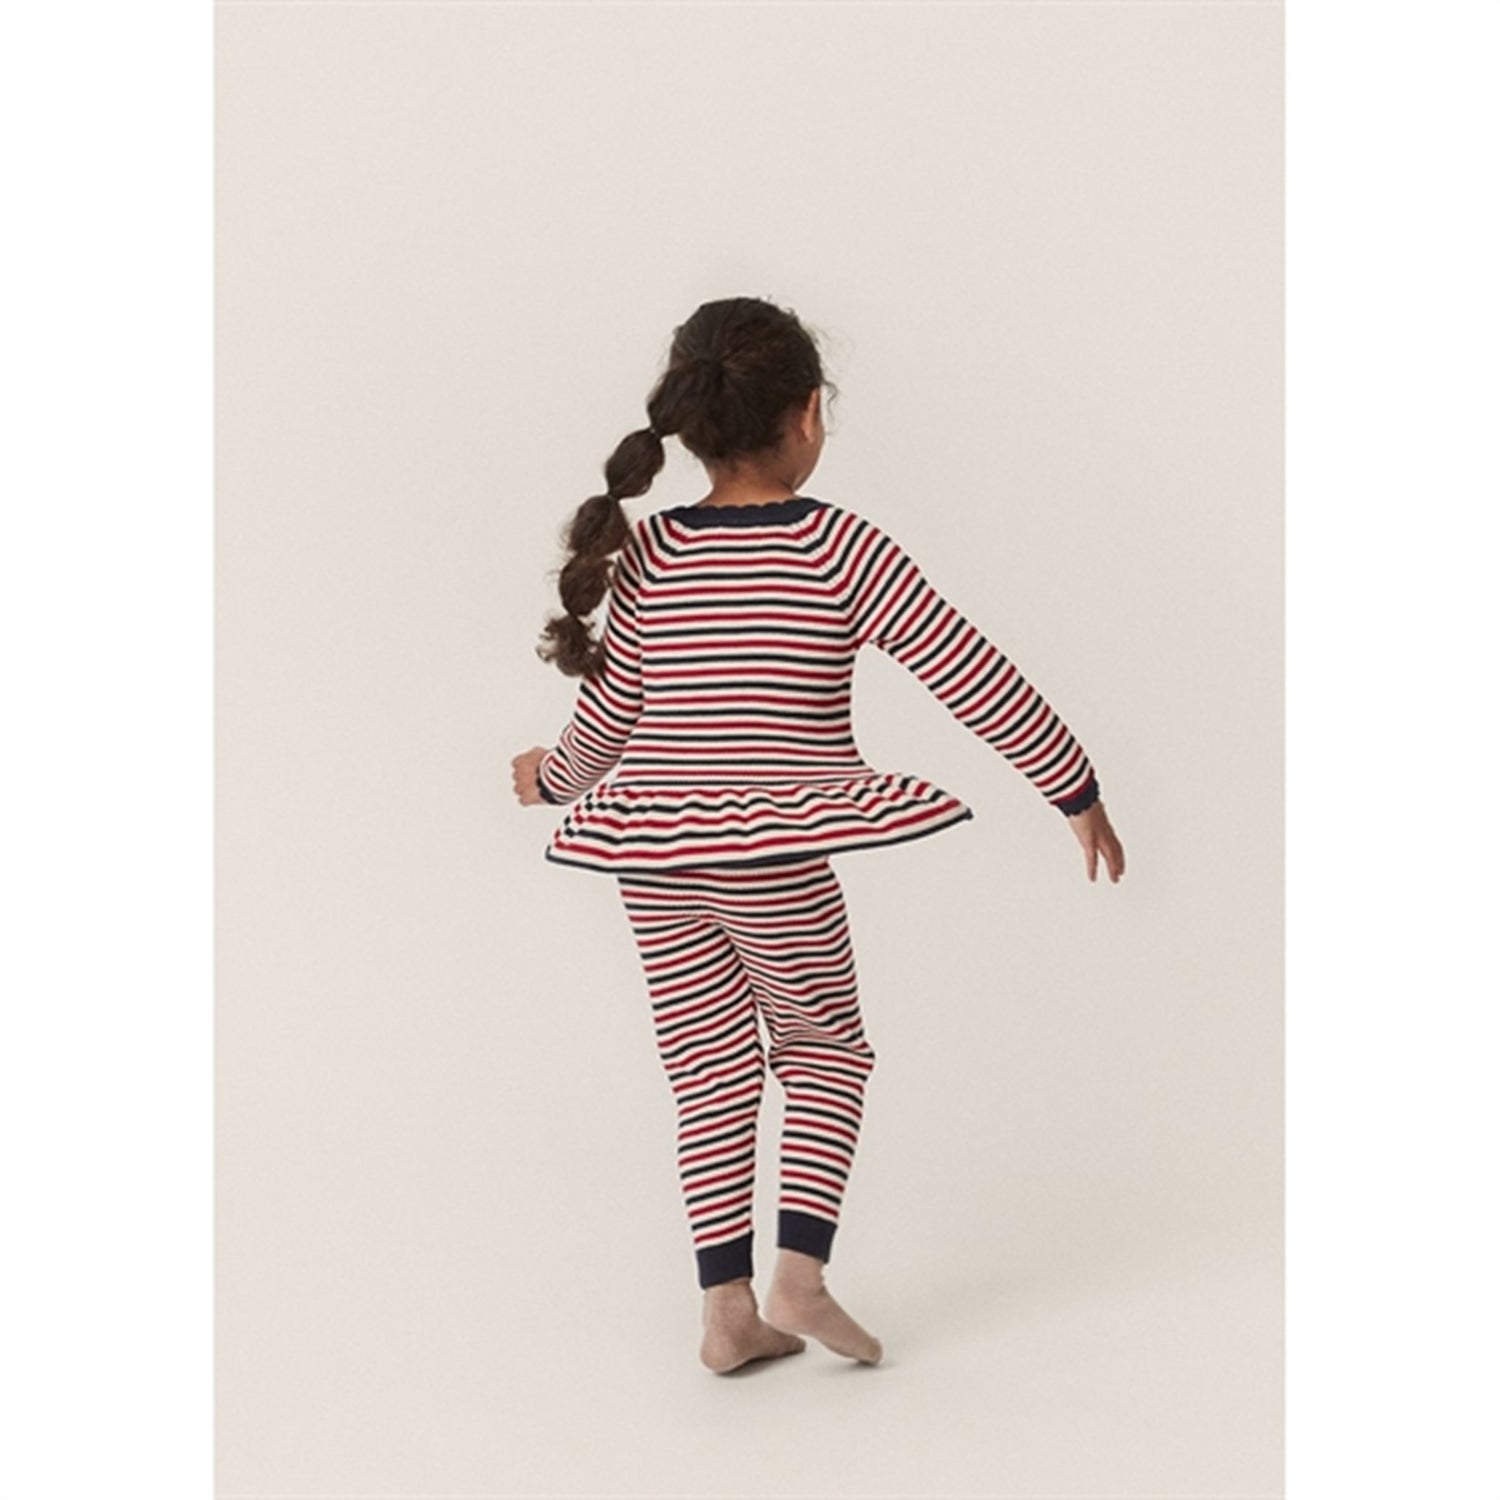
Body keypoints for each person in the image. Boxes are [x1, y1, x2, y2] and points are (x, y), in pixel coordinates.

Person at [511, 296, 1125, 1375]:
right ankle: (800, 1275)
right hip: (768, 853)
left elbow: (612, 719)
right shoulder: (838, 548)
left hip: (655, 854)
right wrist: (1072, 786)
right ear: (806, 415)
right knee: (825, 1049)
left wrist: (550, 778)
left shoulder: (650, 555)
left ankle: (727, 1312)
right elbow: (970, 673)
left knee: (706, 1069)